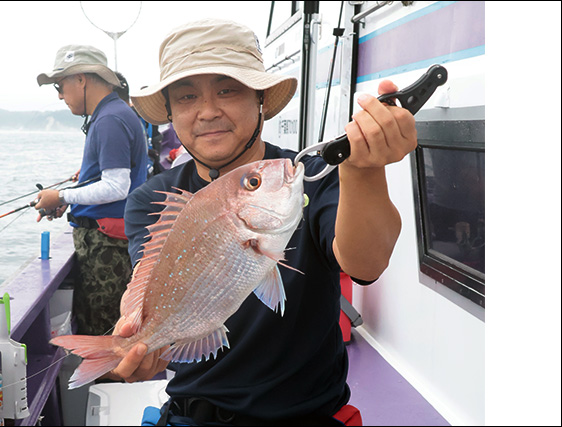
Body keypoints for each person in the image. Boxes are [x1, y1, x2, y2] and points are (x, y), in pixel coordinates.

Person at [108, 19, 417, 425]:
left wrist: (363, 171)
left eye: (228, 89)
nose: (207, 111)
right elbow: (152, 292)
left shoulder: (309, 174)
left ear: (261, 100)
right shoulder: (153, 199)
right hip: (190, 416)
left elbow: (367, 262)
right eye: (186, 96)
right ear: (169, 112)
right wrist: (140, 345)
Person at [34, 45, 149, 336]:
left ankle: (111, 382)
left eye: (60, 86)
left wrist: (60, 196)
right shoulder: (112, 114)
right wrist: (69, 198)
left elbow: (116, 186)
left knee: (104, 331)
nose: (60, 95)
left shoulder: (110, 119)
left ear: (81, 79)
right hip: (107, 239)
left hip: (106, 247)